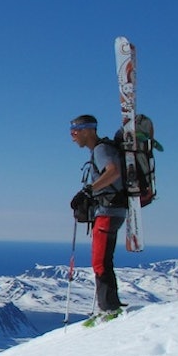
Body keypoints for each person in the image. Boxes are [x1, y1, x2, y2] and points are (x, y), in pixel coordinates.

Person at [69, 114, 126, 316]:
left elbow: (113, 172)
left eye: (75, 131)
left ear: (88, 130)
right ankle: (109, 306)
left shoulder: (102, 149)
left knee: (100, 261)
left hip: (108, 211)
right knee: (104, 260)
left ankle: (109, 309)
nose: (72, 136)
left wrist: (88, 191)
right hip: (112, 210)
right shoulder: (101, 150)